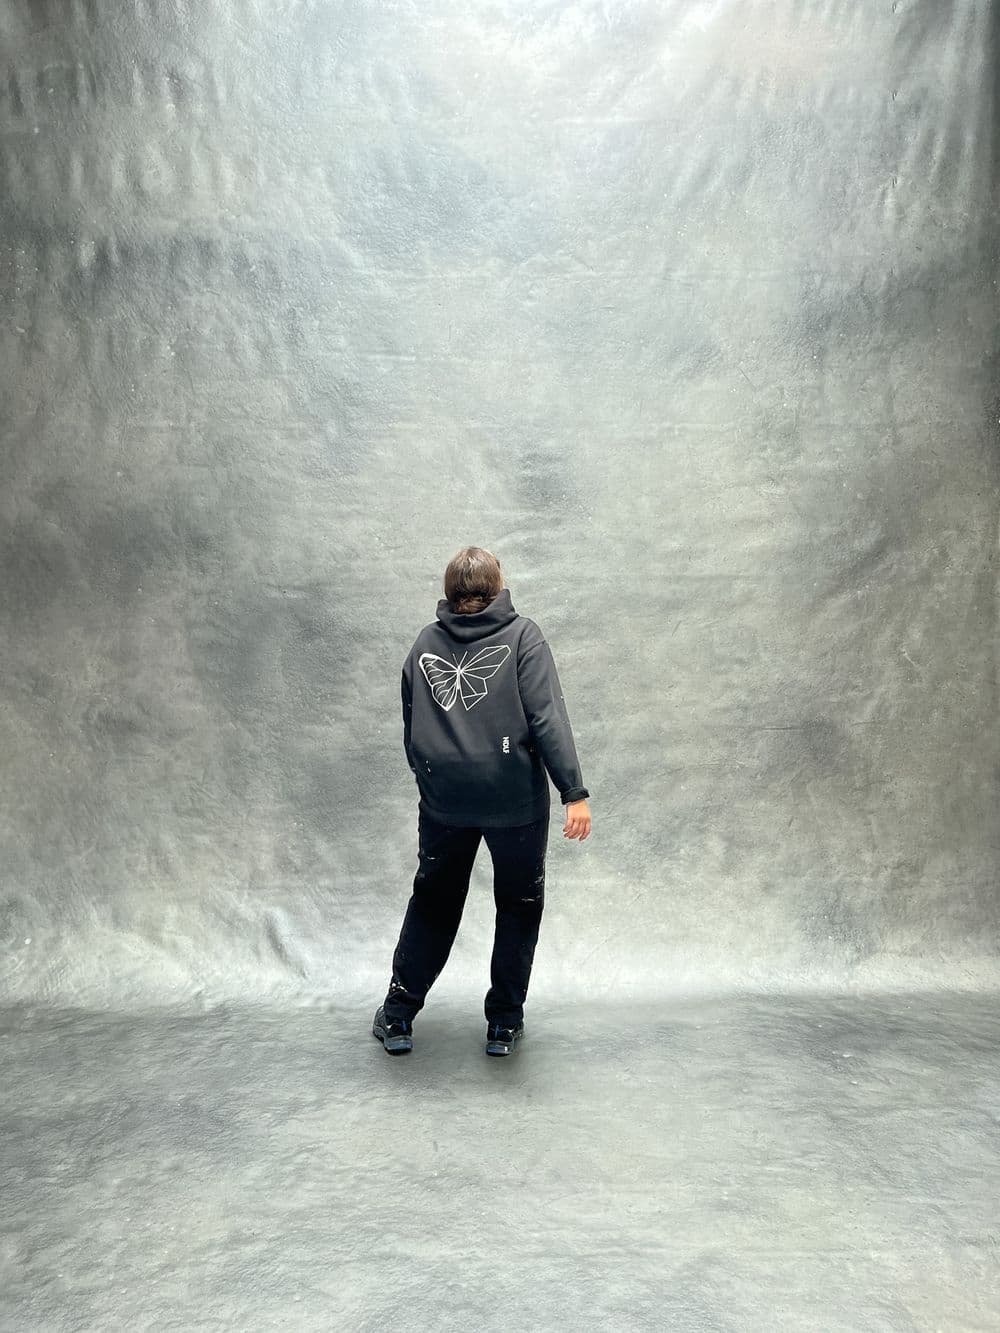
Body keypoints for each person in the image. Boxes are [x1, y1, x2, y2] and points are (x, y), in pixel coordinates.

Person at [373, 546, 592, 1058]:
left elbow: (412, 722)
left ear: (449, 591)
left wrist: (429, 777)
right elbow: (547, 718)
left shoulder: (425, 643)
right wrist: (573, 792)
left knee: (433, 903)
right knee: (519, 905)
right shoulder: (523, 637)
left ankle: (399, 1015)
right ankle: (503, 1024)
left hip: (444, 801)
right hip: (514, 800)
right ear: (498, 586)